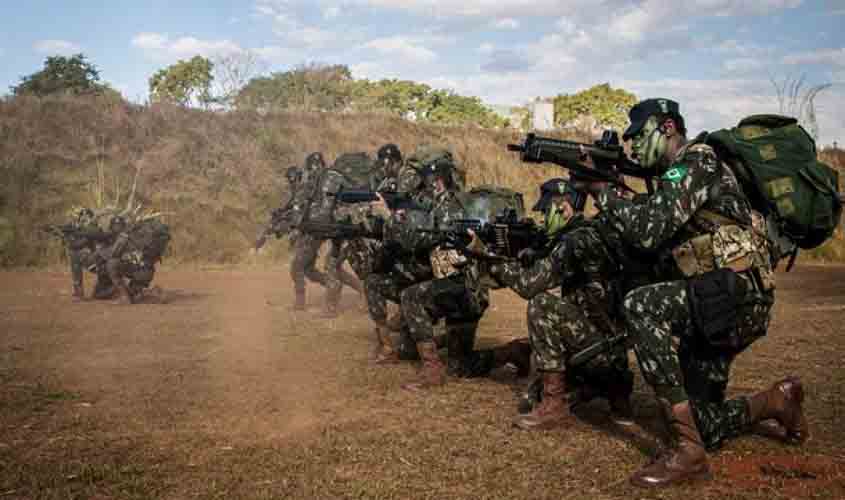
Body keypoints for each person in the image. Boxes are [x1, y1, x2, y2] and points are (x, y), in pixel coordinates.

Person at [580, 98, 806, 487]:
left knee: (642, 306)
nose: (633, 146)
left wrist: (604, 190)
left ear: (667, 128)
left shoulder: (696, 161)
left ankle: (688, 454)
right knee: (707, 424)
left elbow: (647, 230)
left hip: (734, 297)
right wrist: (612, 190)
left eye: (640, 136)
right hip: (715, 300)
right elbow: (647, 235)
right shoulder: (675, 177)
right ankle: (776, 401)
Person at [489, 178, 635, 428]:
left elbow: (529, 286)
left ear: (564, 208)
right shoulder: (592, 232)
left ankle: (554, 404)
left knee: (541, 305)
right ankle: (615, 393)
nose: (543, 220)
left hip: (600, 352)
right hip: (614, 347)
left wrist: (493, 261)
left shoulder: (574, 241)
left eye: (547, 212)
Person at [392, 154, 528, 391]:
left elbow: (414, 243)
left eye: (426, 182)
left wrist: (393, 218)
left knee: (411, 296)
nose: (423, 188)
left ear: (437, 182)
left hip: (460, 290)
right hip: (472, 293)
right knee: (460, 365)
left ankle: (432, 369)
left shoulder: (445, 209)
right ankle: (513, 352)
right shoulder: (457, 204)